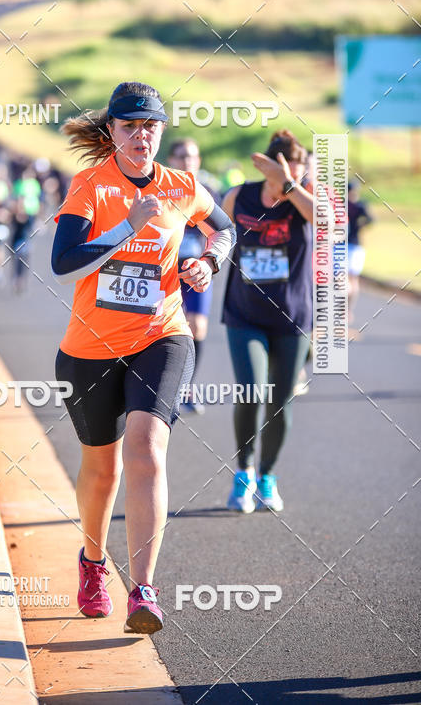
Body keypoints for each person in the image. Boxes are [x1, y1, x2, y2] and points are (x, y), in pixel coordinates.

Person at [51, 81, 235, 634]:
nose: (140, 136)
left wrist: (209, 262)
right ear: (111, 131)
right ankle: (91, 562)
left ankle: (143, 590)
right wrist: (127, 226)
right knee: (101, 469)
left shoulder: (183, 185)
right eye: (129, 126)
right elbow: (64, 263)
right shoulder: (90, 186)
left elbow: (224, 230)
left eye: (150, 126)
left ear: (161, 130)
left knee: (147, 447)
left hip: (161, 335)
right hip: (89, 349)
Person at [221, 129, 313, 514]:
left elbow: (326, 222)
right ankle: (243, 471)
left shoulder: (306, 198)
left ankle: (267, 475)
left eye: (300, 171)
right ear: (270, 166)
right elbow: (216, 234)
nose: (295, 176)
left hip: (292, 319)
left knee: (280, 402)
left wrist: (289, 185)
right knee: (251, 392)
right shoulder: (238, 196)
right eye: (289, 169)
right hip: (245, 314)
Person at [167, 138, 217, 414]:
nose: (188, 161)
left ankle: (186, 387)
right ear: (171, 160)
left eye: (193, 157)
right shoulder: (160, 189)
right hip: (164, 271)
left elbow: (221, 231)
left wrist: (210, 260)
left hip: (196, 269)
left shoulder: (208, 192)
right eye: (182, 156)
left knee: (197, 326)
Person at [347, 180, 373, 324]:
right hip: (349, 245)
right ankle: (347, 311)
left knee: (349, 280)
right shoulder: (359, 206)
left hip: (351, 245)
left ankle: (346, 310)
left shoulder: (346, 205)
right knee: (350, 280)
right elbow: (370, 220)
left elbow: (370, 220)